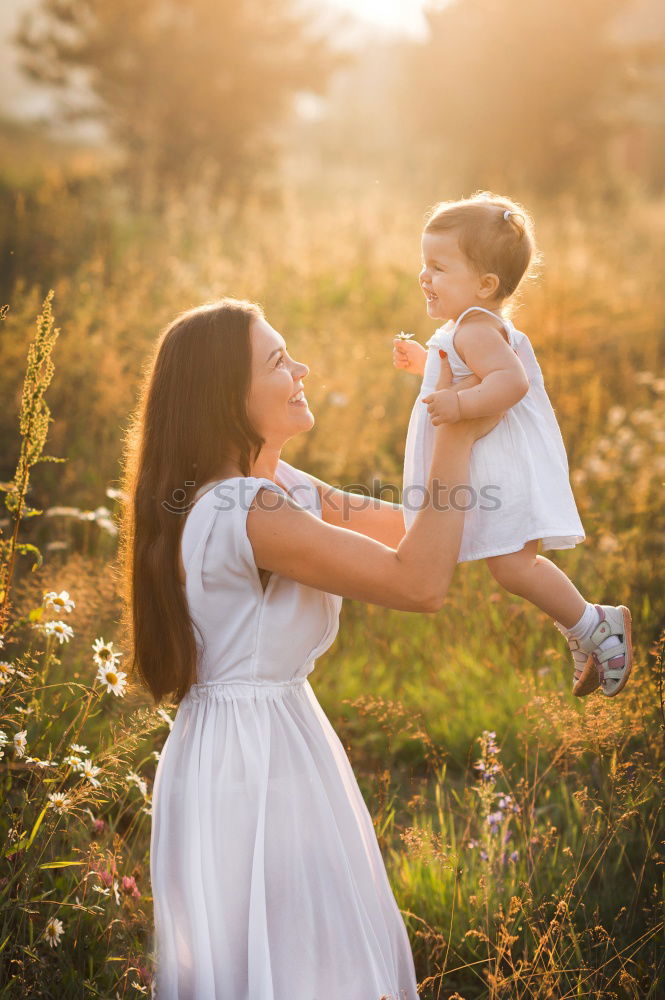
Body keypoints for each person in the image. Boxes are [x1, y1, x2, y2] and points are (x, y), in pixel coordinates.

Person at [119, 296, 500, 1000]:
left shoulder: (277, 488)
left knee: (303, 963)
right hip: (252, 760)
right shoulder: (245, 508)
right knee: (298, 968)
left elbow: (420, 527)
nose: (300, 369)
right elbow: (419, 583)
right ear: (223, 398)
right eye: (275, 361)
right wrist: (456, 435)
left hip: (270, 737)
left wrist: (447, 400)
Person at [392, 191, 633, 699]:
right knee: (510, 564)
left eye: (437, 267)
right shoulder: (465, 329)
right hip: (492, 466)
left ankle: (595, 625)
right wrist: (424, 362)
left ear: (485, 284)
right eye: (423, 265)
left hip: (501, 465)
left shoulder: (476, 328)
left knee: (513, 565)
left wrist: (459, 407)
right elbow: (463, 370)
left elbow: (511, 382)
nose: (424, 277)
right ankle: (584, 627)